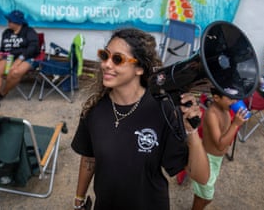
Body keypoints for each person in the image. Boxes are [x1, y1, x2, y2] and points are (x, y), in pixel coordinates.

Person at [71, 27, 209, 210]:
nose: (106, 64)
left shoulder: (163, 109)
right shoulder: (94, 109)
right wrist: (79, 200)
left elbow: (200, 176)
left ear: (139, 69)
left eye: (117, 59)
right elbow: (89, 158)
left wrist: (191, 131)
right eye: (105, 55)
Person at [191, 88, 249, 210]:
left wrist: (237, 121)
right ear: (216, 98)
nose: (234, 102)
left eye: (236, 98)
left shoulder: (225, 109)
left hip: (215, 160)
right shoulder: (212, 114)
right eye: (230, 98)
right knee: (205, 197)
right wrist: (235, 124)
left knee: (201, 194)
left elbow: (225, 132)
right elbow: (220, 144)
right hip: (206, 161)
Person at [0, 10, 39, 111]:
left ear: (18, 22)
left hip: (27, 57)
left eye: (10, 21)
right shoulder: (6, 33)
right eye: (8, 20)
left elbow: (34, 47)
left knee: (15, 72)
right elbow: (3, 49)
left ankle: (3, 92)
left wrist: (20, 59)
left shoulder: (29, 31)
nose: (8, 23)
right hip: (10, 57)